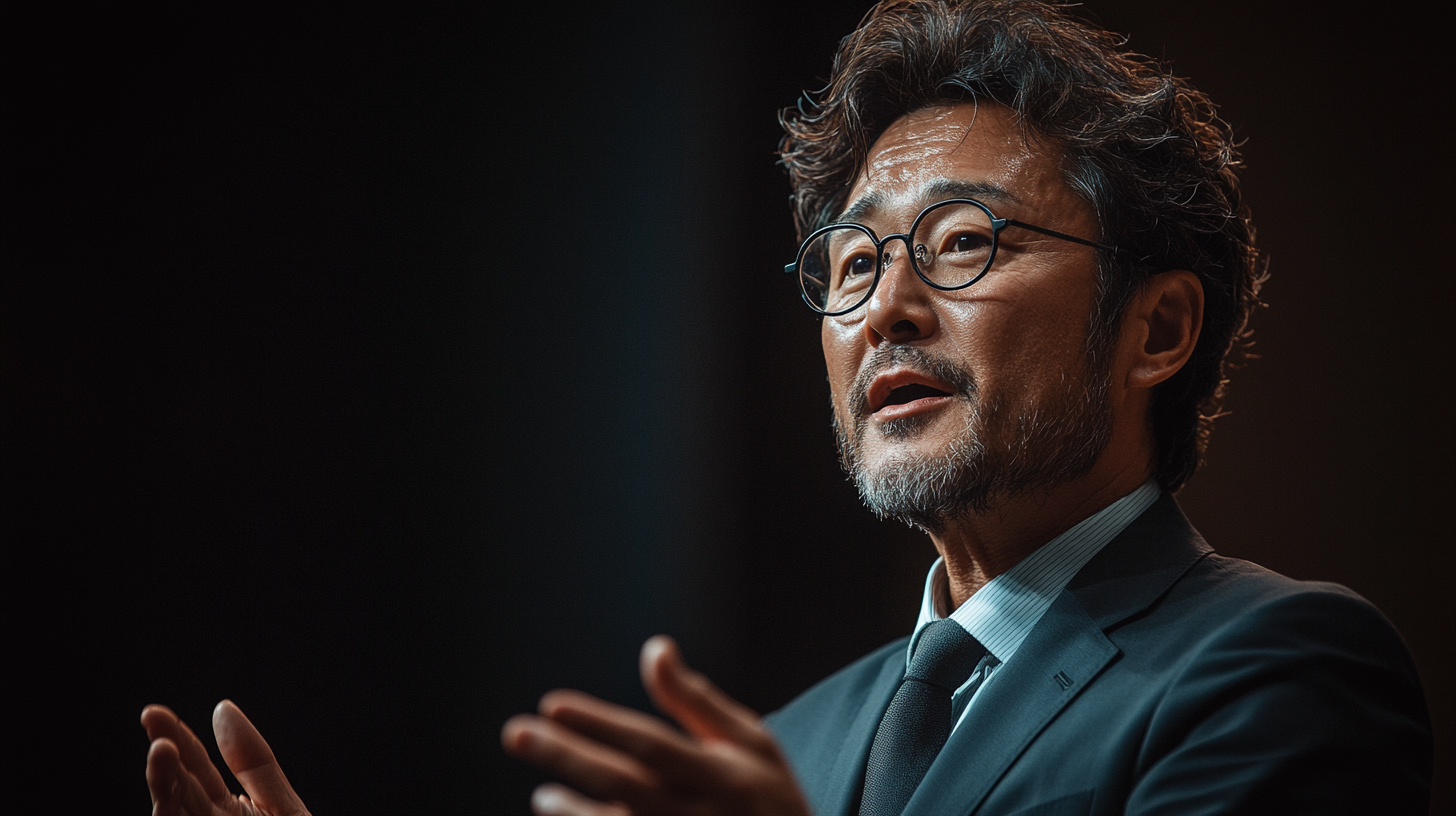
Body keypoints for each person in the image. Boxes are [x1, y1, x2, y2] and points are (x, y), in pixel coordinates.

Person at [140, 1, 1433, 814]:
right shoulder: (785, 745)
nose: (885, 307)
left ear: (1157, 328)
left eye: (965, 242)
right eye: (853, 265)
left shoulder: (1278, 669)